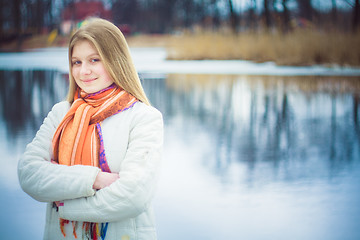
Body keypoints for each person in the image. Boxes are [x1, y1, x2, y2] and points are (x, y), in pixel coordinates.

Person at [17, 18, 163, 240]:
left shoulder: (143, 118)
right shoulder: (62, 114)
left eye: (94, 60)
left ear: (116, 60)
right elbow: (29, 173)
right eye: (76, 62)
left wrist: (65, 208)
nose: (83, 71)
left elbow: (133, 195)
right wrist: (94, 180)